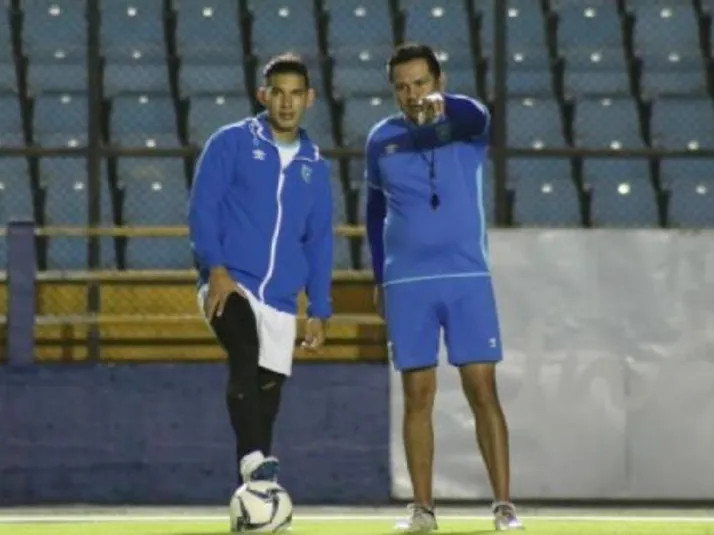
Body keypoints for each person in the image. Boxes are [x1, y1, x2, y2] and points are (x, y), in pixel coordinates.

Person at [364, 43, 523, 532]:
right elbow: (373, 213)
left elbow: (480, 115)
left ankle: (503, 506)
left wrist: (442, 107)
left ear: (439, 80)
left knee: (482, 388)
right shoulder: (381, 138)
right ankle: (423, 510)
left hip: (466, 275)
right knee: (417, 394)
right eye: (402, 87)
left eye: (420, 83)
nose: (412, 94)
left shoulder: (463, 124)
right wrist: (379, 275)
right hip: (406, 280)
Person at [188, 53, 333, 489]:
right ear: (262, 95)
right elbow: (202, 208)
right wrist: (215, 268)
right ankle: (254, 460)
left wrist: (319, 308)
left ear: (309, 98)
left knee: (265, 401)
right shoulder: (230, 142)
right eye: (278, 93)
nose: (287, 103)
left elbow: (319, 240)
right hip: (229, 282)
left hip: (282, 300)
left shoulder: (315, 165)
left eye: (295, 94)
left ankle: (255, 495)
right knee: (244, 352)